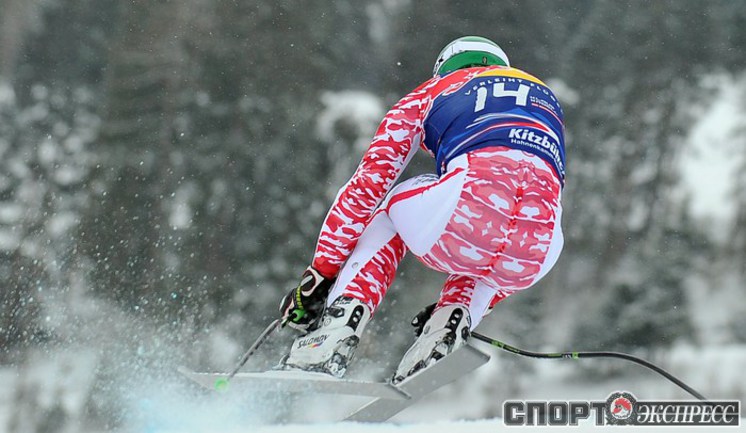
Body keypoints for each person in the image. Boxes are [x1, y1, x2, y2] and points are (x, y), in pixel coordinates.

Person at [278, 36, 566, 383]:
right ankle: (448, 325)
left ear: (444, 68)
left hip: (465, 207)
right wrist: (464, 305)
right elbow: (522, 214)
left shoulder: (435, 90)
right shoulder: (545, 100)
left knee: (389, 207)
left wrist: (321, 275)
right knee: (494, 237)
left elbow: (366, 186)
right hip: (539, 250)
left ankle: (334, 331)